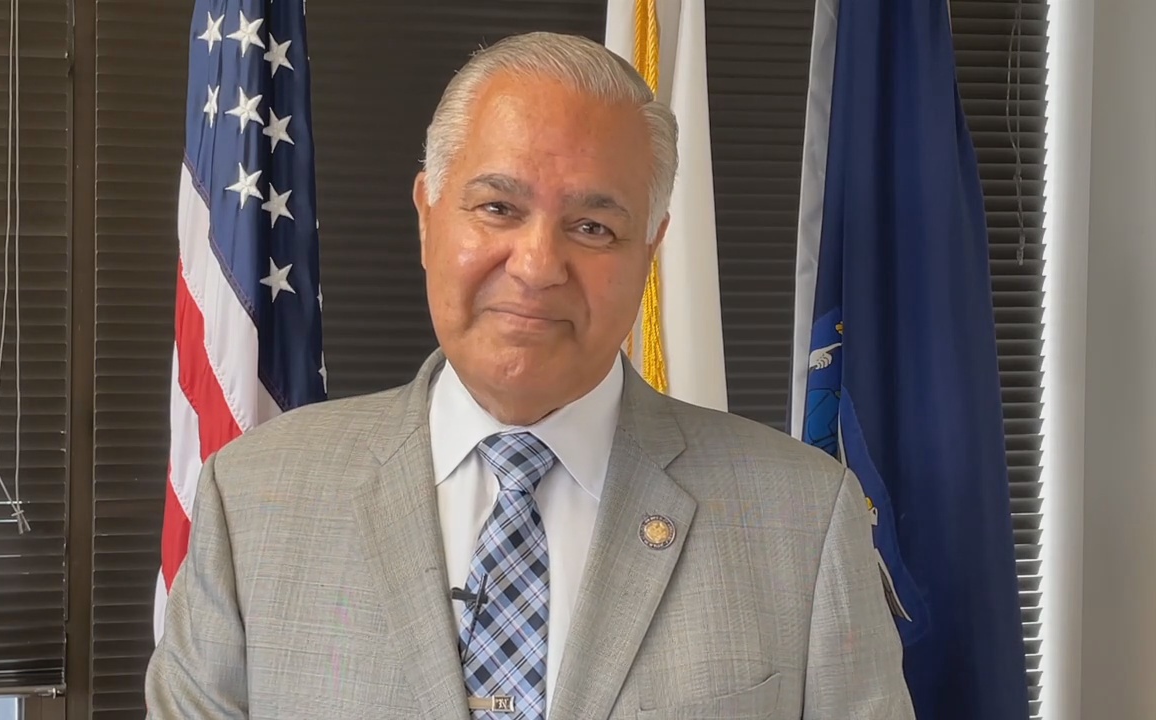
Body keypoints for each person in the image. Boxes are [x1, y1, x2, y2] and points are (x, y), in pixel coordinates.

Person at [144, 30, 915, 720]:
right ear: (427, 215)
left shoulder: (805, 521)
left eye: (593, 227)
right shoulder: (252, 501)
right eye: (498, 208)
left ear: (649, 251)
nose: (540, 266)